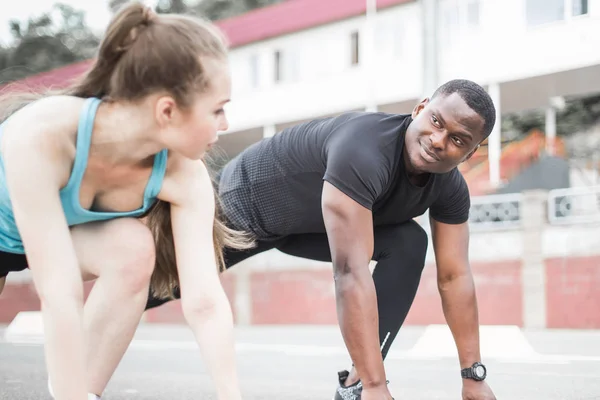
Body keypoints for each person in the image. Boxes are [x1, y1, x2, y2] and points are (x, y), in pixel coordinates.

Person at [146, 78, 499, 400]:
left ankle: (355, 385)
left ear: (471, 153)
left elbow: (454, 277)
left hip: (305, 225)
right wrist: (380, 388)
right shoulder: (364, 150)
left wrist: (473, 377)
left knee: (409, 243)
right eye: (437, 122)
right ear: (420, 109)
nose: (439, 141)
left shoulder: (450, 191)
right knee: (154, 286)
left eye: (457, 140)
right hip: (245, 204)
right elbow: (350, 272)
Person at [0, 2, 252, 400]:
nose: (225, 125)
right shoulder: (42, 135)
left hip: (60, 239)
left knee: (133, 248)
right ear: (167, 110)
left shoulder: (184, 175)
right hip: (18, 235)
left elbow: (204, 301)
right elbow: (59, 291)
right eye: (218, 110)